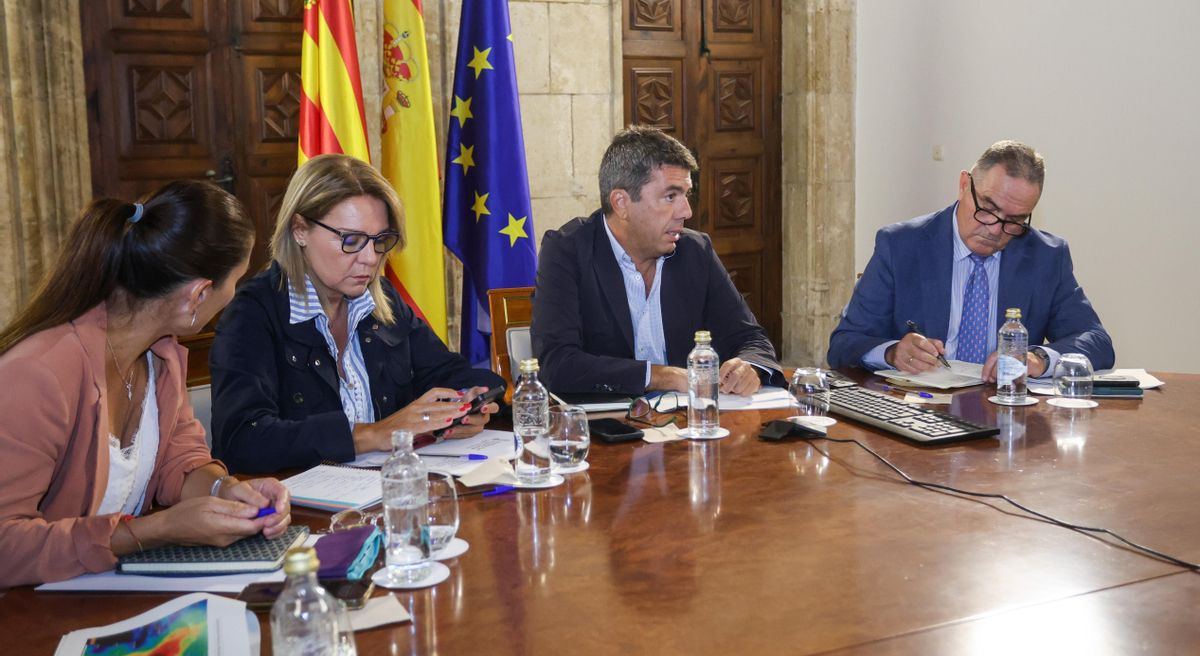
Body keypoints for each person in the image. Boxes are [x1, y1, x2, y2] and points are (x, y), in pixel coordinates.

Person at [0, 181, 291, 588]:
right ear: (199, 293)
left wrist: (228, 491)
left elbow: (179, 462)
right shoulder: (38, 374)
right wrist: (155, 530)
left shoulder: (161, 354)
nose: (233, 296)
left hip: (111, 591)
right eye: (236, 281)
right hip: (33, 615)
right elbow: (5, 546)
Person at [210, 154, 504, 474]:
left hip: (384, 493)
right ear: (300, 230)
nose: (369, 259)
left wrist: (473, 400)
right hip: (295, 509)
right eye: (351, 240)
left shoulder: (382, 302)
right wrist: (371, 435)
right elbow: (242, 439)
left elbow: (450, 372)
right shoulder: (253, 313)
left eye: (380, 241)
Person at [827, 140, 1114, 380]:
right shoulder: (900, 246)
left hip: (1003, 418)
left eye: (1014, 220)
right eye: (988, 208)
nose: (995, 229)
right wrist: (892, 353)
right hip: (918, 413)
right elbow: (844, 344)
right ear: (964, 185)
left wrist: (1037, 358)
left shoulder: (1046, 256)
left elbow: (1096, 341)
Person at [531, 126, 784, 397]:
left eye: (687, 195)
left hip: (689, 424)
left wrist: (749, 367)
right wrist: (662, 376)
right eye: (670, 196)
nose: (685, 211)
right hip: (610, 428)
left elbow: (750, 338)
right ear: (621, 203)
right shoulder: (568, 251)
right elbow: (556, 365)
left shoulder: (695, 250)